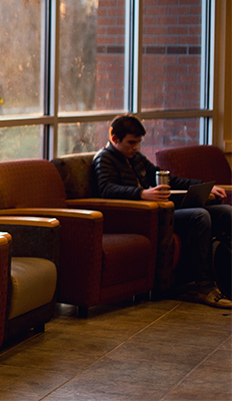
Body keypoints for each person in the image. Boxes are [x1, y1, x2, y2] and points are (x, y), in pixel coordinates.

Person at [92, 115, 232, 309]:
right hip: (142, 217)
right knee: (200, 216)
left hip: (161, 211)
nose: (135, 148)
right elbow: (107, 189)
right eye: (131, 143)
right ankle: (205, 286)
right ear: (115, 139)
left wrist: (203, 187)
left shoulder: (136, 158)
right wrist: (142, 194)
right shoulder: (104, 160)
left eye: (138, 143)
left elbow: (170, 180)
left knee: (226, 211)